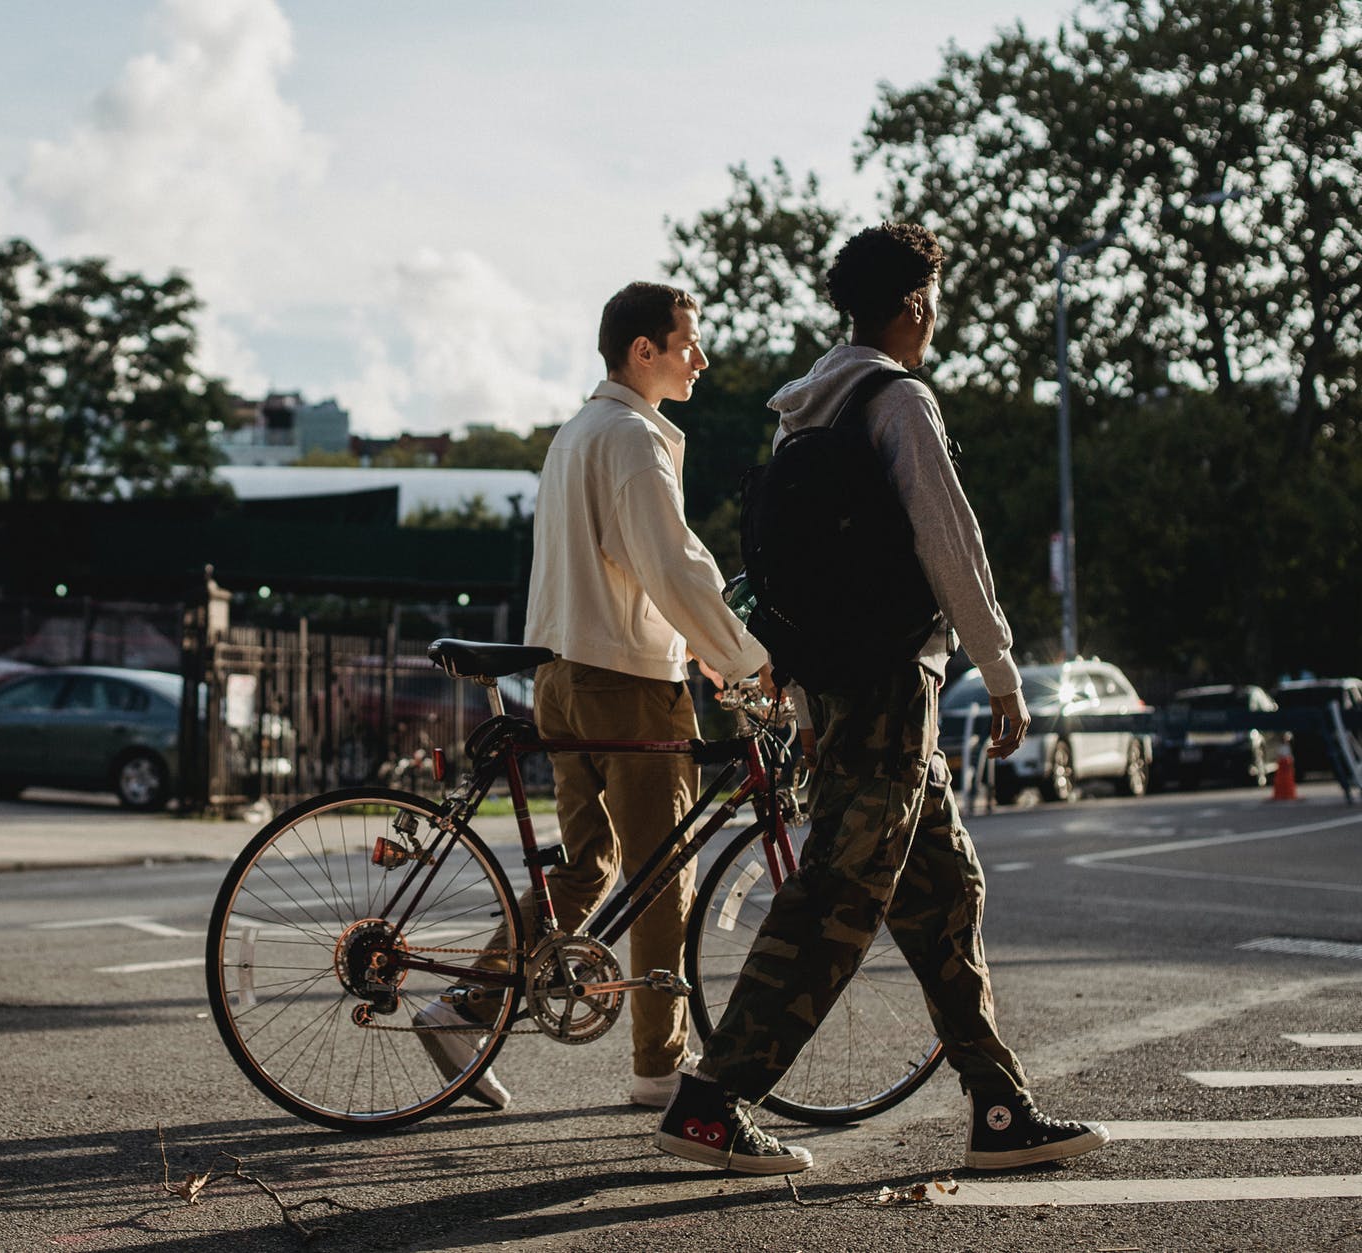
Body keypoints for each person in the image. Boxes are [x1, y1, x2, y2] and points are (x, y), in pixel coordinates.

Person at [653, 223, 1110, 1174]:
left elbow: (790, 580)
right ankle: (711, 1097)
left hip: (845, 688)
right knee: (835, 900)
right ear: (912, 307)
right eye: (930, 303)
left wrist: (815, 710)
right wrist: (1001, 669)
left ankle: (998, 1107)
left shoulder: (804, 412)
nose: (934, 321)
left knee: (946, 892)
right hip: (896, 686)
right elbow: (952, 544)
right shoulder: (898, 400)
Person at [416, 281, 770, 1110]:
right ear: (641, 350)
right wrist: (743, 657)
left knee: (586, 866)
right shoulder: (632, 439)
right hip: (626, 682)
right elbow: (671, 565)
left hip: (561, 676)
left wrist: (707, 651)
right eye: (688, 342)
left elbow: (631, 568)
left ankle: (463, 1002)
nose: (701, 358)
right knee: (659, 877)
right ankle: (659, 1066)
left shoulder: (575, 432)